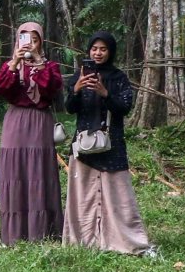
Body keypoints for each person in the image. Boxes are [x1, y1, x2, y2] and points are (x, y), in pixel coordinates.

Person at [64, 31, 152, 254]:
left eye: (103, 49)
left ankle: (123, 238)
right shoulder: (79, 75)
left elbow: (124, 108)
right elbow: (69, 108)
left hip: (112, 143)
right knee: (82, 194)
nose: (98, 53)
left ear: (110, 52)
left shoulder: (118, 77)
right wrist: (76, 90)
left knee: (118, 193)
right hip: (84, 144)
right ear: (88, 51)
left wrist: (104, 93)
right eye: (94, 49)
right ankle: (84, 238)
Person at [0, 20, 64, 245]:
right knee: (14, 172)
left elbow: (50, 90)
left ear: (41, 42)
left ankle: (43, 231)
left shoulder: (50, 67)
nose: (30, 44)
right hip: (15, 122)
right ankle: (13, 234)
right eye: (26, 39)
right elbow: (1, 89)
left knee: (39, 173)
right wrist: (15, 61)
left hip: (40, 122)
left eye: (35, 40)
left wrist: (39, 62)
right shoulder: (10, 66)